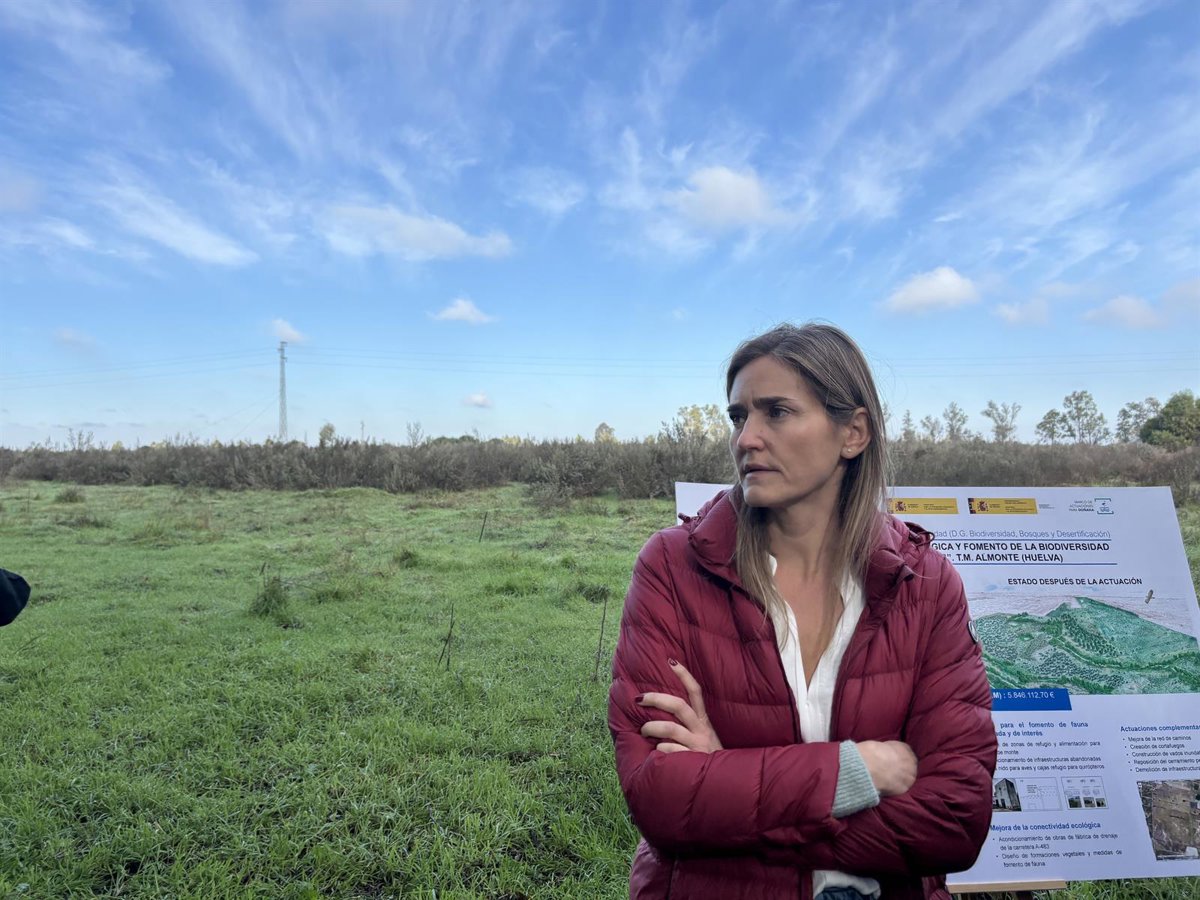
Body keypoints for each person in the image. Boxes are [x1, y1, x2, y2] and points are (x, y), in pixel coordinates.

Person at [609, 323, 997, 900]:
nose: (746, 439)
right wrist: (858, 771)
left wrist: (730, 789)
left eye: (778, 412)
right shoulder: (672, 568)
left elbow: (955, 821)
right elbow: (661, 799)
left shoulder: (925, 585)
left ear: (853, 433)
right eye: (739, 417)